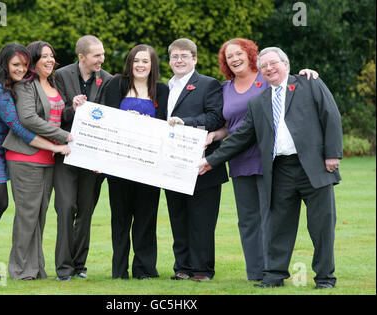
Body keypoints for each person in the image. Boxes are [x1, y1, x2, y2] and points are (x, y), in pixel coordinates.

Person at [199, 47, 342, 289]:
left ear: (286, 64)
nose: (269, 68)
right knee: (278, 227)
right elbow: (240, 137)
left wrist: (332, 154)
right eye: (264, 66)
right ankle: (274, 276)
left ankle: (325, 278)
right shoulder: (259, 102)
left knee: (321, 226)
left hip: (315, 167)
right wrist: (210, 161)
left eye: (273, 63)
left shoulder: (309, 83)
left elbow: (331, 116)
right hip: (280, 170)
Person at [0, 43, 70, 279]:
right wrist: (56, 146)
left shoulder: (9, 81)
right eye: (16, 65)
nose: (21, 69)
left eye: (24, 64)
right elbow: (21, 127)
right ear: (5, 64)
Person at [2, 41, 72, 280]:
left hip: (49, 159)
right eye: (44, 56)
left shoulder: (54, 83)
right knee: (27, 215)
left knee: (39, 215)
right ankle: (20, 270)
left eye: (52, 56)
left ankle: (36, 269)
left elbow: (58, 115)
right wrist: (64, 137)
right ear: (33, 60)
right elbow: (28, 118)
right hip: (25, 157)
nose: (50, 60)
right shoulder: (26, 85)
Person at [102, 44, 168, 279]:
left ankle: (144, 269)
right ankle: (120, 271)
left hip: (149, 167)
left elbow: (164, 125)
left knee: (146, 219)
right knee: (120, 219)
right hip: (119, 165)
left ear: (153, 65)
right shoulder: (117, 84)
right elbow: (106, 119)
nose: (140, 65)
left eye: (145, 61)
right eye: (136, 60)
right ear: (130, 63)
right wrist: (123, 119)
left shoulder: (161, 90)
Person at [165, 38, 228, 282]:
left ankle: (202, 269)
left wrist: (185, 123)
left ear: (195, 59)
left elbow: (215, 118)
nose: (178, 61)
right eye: (174, 57)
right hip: (171, 164)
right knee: (178, 217)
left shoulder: (208, 84)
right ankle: (182, 267)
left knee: (202, 219)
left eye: (184, 56)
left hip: (203, 164)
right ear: (169, 60)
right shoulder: (164, 87)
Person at [53, 35, 112, 281]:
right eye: (97, 55)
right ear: (81, 57)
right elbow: (55, 114)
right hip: (66, 153)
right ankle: (64, 269)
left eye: (103, 54)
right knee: (66, 208)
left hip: (93, 157)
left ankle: (79, 267)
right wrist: (72, 108)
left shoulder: (109, 80)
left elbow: (111, 120)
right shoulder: (61, 76)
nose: (102, 59)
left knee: (85, 211)